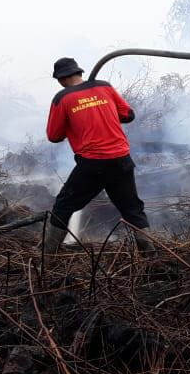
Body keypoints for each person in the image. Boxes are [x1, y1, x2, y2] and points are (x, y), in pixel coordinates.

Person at [44, 57, 153, 254]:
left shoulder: (62, 98)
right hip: (122, 160)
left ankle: (47, 257)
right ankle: (150, 254)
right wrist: (102, 110)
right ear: (79, 73)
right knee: (132, 210)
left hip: (92, 164)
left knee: (63, 206)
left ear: (60, 79)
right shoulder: (105, 88)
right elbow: (128, 115)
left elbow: (54, 136)